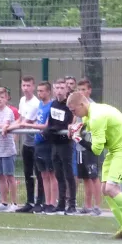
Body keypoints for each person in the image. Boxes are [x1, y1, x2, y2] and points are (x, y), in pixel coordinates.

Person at [67, 92, 122, 240]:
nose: (74, 114)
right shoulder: (91, 112)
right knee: (105, 189)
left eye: (74, 111)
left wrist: (77, 138)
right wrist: (77, 127)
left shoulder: (97, 117)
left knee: (111, 188)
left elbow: (97, 150)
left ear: (82, 104)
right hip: (114, 149)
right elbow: (85, 122)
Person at [8, 75, 45, 213]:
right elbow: (20, 119)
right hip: (27, 144)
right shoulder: (23, 100)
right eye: (23, 85)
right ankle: (29, 202)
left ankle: (39, 202)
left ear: (33, 87)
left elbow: (26, 123)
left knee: (39, 174)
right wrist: (9, 127)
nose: (26, 88)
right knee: (27, 173)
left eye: (28, 85)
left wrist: (8, 128)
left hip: (37, 143)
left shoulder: (36, 103)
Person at [46, 79, 77, 215]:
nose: (59, 90)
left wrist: (55, 128)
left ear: (66, 90)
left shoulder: (69, 105)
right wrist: (50, 130)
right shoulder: (53, 104)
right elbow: (52, 123)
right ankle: (61, 203)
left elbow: (67, 123)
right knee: (58, 174)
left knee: (68, 174)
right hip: (55, 144)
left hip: (65, 144)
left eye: (62, 88)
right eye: (57, 87)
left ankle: (72, 204)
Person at [28, 81, 58, 214]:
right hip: (38, 143)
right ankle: (47, 202)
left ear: (48, 92)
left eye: (42, 91)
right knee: (43, 174)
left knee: (52, 174)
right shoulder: (40, 104)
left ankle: (52, 202)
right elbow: (38, 120)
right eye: (38, 91)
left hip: (48, 143)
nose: (39, 93)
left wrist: (30, 126)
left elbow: (46, 125)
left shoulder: (51, 105)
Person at [76, 78, 102, 216]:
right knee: (85, 177)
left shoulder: (93, 106)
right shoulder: (77, 105)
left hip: (91, 145)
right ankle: (87, 205)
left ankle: (98, 206)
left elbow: (91, 124)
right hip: (80, 146)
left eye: (84, 89)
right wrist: (72, 127)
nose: (81, 92)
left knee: (93, 176)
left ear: (89, 90)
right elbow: (74, 121)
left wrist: (80, 128)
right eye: (79, 90)